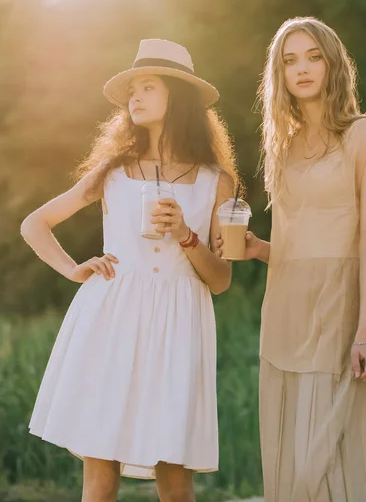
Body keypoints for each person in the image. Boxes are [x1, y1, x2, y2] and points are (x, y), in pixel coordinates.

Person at [20, 39, 239, 502]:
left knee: (175, 475)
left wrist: (185, 233)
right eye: (131, 90)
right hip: (111, 318)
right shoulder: (112, 171)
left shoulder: (216, 181)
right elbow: (34, 223)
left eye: (147, 87)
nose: (134, 97)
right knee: (101, 474)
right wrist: (74, 269)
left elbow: (220, 281)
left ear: (177, 97)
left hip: (180, 326)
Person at [218, 16, 366, 501]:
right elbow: (295, 245)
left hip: (338, 307)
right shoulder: (283, 147)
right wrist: (257, 249)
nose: (303, 68)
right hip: (285, 310)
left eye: (314, 56)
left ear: (334, 64)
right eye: (290, 60)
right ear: (279, 75)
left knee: (325, 456)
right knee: (292, 460)